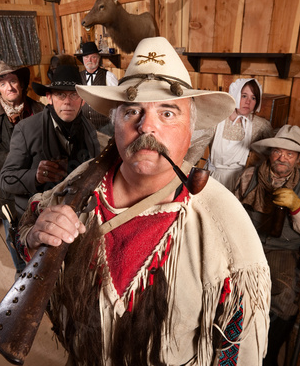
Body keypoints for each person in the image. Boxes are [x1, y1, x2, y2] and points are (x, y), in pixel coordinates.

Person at [17, 37, 270, 365]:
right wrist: (37, 235)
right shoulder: (80, 184)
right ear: (115, 124)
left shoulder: (224, 224)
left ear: (190, 132)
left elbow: (239, 348)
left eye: (167, 112)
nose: (146, 125)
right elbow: (30, 240)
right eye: (132, 111)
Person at [234, 125, 300, 366]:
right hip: (247, 243)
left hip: (283, 249)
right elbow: (231, 214)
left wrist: (297, 207)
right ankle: (230, 344)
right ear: (269, 152)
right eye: (277, 151)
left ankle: (267, 353)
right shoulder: (248, 176)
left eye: (290, 153)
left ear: (299, 158)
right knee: (222, 283)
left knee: (284, 294)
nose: (282, 157)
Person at [0, 64, 100, 232]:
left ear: (82, 101)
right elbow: (6, 179)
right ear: (49, 98)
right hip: (36, 218)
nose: (67, 101)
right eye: (61, 95)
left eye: (74, 95)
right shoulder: (27, 129)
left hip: (76, 217)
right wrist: (36, 177)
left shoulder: (88, 128)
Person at [0, 61, 44, 272]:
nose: (9, 87)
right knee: (14, 233)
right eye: (3, 84)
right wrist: (17, 161)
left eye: (13, 81)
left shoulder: (40, 111)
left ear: (21, 84)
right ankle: (22, 274)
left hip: (42, 185)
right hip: (9, 189)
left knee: (43, 228)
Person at [201, 78, 272, 191]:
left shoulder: (260, 125)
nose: (248, 101)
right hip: (213, 178)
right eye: (244, 96)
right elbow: (198, 146)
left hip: (240, 181)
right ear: (234, 95)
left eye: (253, 98)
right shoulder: (217, 119)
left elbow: (271, 154)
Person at [78, 41, 118, 135]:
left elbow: (117, 101)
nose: (89, 60)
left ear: (99, 58)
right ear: (83, 59)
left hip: (105, 127)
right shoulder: (78, 76)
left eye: (93, 57)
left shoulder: (108, 76)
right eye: (86, 57)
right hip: (84, 127)